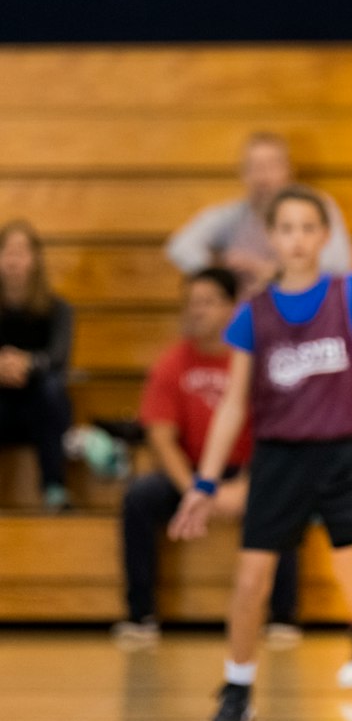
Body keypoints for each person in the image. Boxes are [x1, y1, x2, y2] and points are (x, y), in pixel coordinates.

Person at [168, 168, 352, 721]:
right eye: (286, 227)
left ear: (324, 237)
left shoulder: (351, 291)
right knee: (251, 584)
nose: (296, 237)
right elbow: (234, 406)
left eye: (308, 227)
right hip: (280, 461)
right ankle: (238, 686)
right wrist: (204, 483)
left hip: (343, 457)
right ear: (272, 236)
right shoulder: (253, 315)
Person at [110, 267, 298, 647]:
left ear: (233, 308)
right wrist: (198, 492)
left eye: (209, 302)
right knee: (139, 497)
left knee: (283, 494)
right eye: (192, 303)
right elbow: (161, 439)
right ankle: (140, 614)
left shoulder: (253, 362)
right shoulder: (171, 363)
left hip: (248, 470)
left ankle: (282, 616)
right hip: (191, 473)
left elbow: (274, 433)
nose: (198, 311)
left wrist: (244, 486)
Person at [165, 131, 352, 298]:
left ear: (289, 170)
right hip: (249, 319)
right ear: (243, 173)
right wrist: (225, 273)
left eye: (271, 166)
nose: (263, 177)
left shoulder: (315, 207)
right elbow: (180, 247)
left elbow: (339, 267)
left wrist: (274, 273)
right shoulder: (234, 216)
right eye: (255, 167)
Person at [0, 220, 74, 511]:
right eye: (7, 251)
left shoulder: (59, 309)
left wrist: (25, 363)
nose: (14, 260)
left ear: (35, 259)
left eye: (21, 252)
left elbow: (59, 358)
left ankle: (54, 487)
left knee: (52, 388)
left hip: (39, 408)